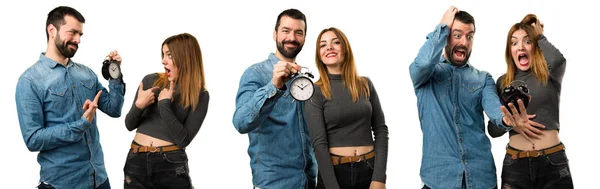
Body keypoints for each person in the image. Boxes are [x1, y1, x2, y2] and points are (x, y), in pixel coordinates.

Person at [408, 6, 543, 189]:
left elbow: (495, 109)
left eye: (469, 36)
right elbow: (422, 63)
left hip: (481, 179)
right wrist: (442, 27)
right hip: (439, 180)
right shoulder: (426, 74)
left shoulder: (483, 78)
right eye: (457, 35)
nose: (464, 42)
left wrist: (507, 118)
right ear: (446, 36)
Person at [15, 6, 125, 189]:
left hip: (99, 179)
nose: (77, 40)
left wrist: (115, 75)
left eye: (80, 34)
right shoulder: (30, 81)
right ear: (52, 30)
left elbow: (114, 109)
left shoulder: (86, 74)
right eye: (72, 32)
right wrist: (81, 124)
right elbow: (33, 139)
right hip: (62, 183)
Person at [232, 8, 317, 189]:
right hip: (273, 184)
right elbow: (240, 123)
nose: (292, 37)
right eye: (286, 31)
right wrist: (274, 86)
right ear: (275, 34)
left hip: (309, 182)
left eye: (298, 32)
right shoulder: (255, 73)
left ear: (304, 38)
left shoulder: (307, 78)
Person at [487, 14, 573, 188]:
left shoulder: (549, 75)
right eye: (514, 42)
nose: (520, 47)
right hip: (515, 165)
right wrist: (512, 123)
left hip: (553, 163)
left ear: (535, 46)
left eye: (527, 41)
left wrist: (539, 35)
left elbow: (558, 60)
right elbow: (493, 130)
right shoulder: (503, 83)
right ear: (509, 50)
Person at [304, 27, 389, 189]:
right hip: (334, 174)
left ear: (345, 48)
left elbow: (381, 130)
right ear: (319, 55)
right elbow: (319, 144)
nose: (329, 47)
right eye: (323, 45)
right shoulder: (315, 91)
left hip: (369, 171)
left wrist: (379, 177)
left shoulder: (365, 84)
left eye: (336, 42)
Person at [123, 33, 209, 189]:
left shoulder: (200, 95)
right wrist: (139, 105)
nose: (163, 60)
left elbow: (183, 140)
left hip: (170, 164)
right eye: (163, 54)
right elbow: (129, 124)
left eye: (169, 55)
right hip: (136, 162)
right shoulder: (151, 80)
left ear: (185, 57)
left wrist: (164, 104)